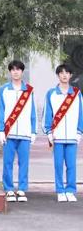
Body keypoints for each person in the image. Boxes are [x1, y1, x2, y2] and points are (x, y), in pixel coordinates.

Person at [0, 60, 37, 203]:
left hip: (25, 133)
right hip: (9, 133)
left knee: (24, 163)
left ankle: (22, 189)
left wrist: (33, 132)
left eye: (18, 69)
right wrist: (0, 131)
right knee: (7, 162)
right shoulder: (3, 90)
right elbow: (0, 112)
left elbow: (33, 113)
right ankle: (8, 189)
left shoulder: (29, 91)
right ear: (10, 72)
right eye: (13, 69)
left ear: (22, 71)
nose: (15, 72)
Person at [42, 64, 83, 202]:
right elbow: (47, 115)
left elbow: (81, 115)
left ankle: (70, 190)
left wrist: (79, 132)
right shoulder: (51, 94)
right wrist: (48, 132)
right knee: (58, 165)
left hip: (72, 136)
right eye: (61, 73)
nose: (64, 75)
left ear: (71, 75)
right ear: (58, 75)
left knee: (71, 165)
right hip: (57, 137)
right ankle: (60, 190)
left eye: (67, 73)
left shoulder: (77, 94)